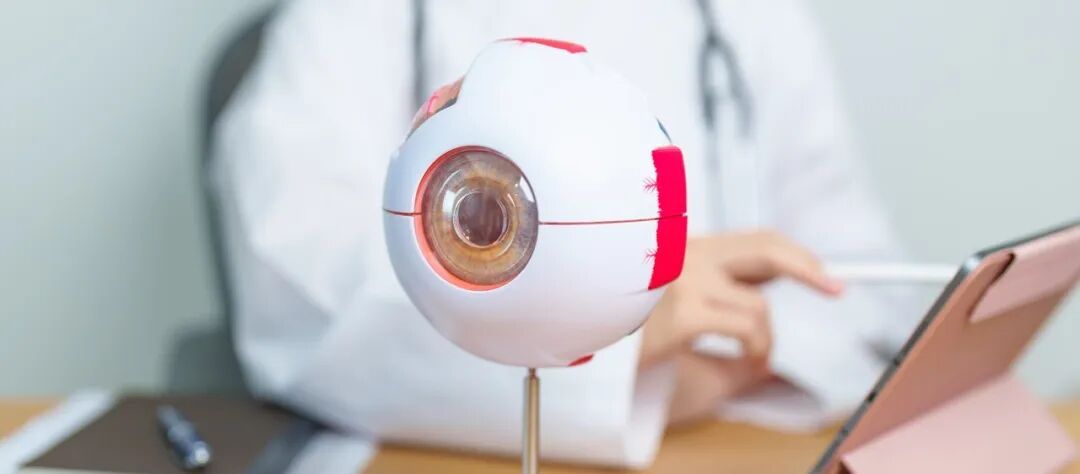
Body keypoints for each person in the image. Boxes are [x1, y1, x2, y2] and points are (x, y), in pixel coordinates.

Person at [212, 0, 916, 468]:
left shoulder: (747, 16)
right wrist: (624, 349)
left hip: (730, 444)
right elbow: (291, 281)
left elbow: (866, 289)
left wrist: (720, 365)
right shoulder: (358, 18)